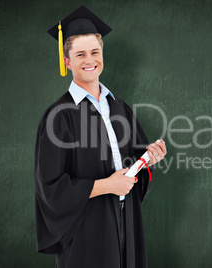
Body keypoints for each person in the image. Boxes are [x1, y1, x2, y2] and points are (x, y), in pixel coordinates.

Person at [34, 5, 166, 268]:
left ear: (102, 54)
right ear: (67, 61)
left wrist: (148, 159)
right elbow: (49, 188)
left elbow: (134, 168)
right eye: (80, 54)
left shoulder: (120, 108)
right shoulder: (58, 116)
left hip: (127, 222)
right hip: (86, 231)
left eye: (95, 51)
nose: (89, 60)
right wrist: (106, 186)